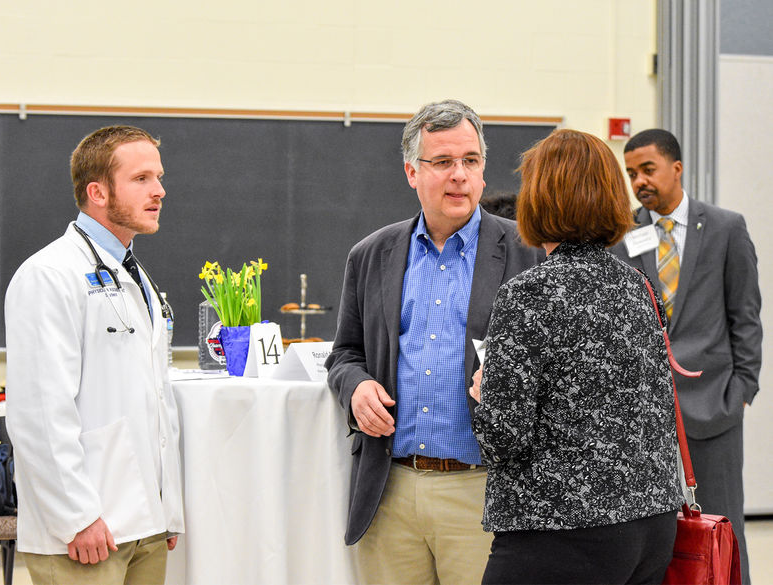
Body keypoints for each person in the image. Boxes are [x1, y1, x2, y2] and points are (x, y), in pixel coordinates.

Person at [325, 99, 540, 585]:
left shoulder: (527, 252)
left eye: (470, 161)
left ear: (484, 170)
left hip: (486, 490)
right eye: (442, 162)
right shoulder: (371, 255)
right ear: (411, 172)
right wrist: (356, 387)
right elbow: (344, 354)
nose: (458, 175)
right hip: (390, 490)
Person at [471, 129, 684, 585]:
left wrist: (484, 392)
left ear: (539, 200)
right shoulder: (640, 286)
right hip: (651, 522)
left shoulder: (529, 294)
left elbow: (503, 439)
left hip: (561, 529)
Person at [5, 125, 184, 585]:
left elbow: (153, 397)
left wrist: (168, 505)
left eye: (159, 177)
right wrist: (76, 516)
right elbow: (39, 412)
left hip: (144, 522)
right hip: (85, 531)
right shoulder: (49, 275)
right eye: (142, 178)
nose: (159, 191)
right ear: (97, 191)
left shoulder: (134, 274)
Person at [613, 128, 762, 584]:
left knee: (723, 530)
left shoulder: (725, 227)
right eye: (632, 172)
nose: (639, 181)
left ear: (677, 168)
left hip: (713, 407)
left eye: (648, 170)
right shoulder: (623, 235)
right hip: (645, 416)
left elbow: (746, 317)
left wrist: (741, 392)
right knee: (658, 537)